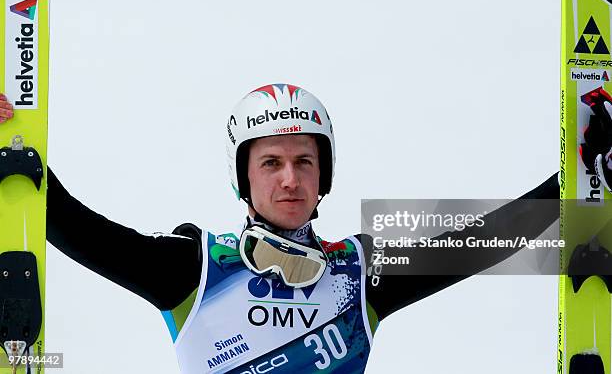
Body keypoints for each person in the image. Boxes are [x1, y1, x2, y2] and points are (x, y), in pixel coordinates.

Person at [0, 83, 605, 373]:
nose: (289, 178)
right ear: (244, 179)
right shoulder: (194, 267)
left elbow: (487, 239)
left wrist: (582, 170)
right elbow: (77, 229)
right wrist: (18, 152)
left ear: (323, 178)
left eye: (304, 161)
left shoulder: (360, 274)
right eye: (271, 162)